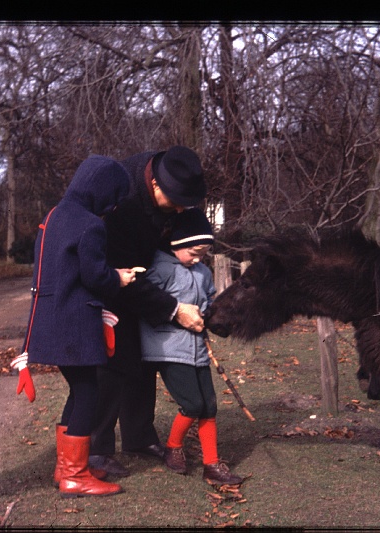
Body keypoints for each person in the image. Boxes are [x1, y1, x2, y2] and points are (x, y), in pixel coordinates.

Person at [12, 155, 138, 498]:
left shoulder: (53, 216)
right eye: (112, 199)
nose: (111, 208)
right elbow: (95, 275)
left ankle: (67, 467)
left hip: (49, 321)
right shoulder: (89, 224)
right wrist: (120, 278)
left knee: (78, 389)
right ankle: (74, 475)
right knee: (87, 393)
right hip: (75, 323)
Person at [89, 146, 208, 477]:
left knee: (141, 359)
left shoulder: (169, 178)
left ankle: (138, 437)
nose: (182, 209)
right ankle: (96, 450)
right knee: (111, 362)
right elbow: (118, 271)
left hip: (142, 275)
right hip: (107, 279)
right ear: (155, 185)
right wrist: (173, 309)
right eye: (177, 202)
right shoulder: (120, 199)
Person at [140, 208, 243, 485]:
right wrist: (178, 318)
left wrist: (215, 317)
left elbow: (209, 300)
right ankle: (173, 447)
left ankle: (212, 464)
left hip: (197, 349)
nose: (198, 259)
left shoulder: (201, 272)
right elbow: (147, 304)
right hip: (168, 348)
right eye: (193, 252)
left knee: (209, 406)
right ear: (176, 243)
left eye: (203, 254)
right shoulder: (160, 268)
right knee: (192, 403)